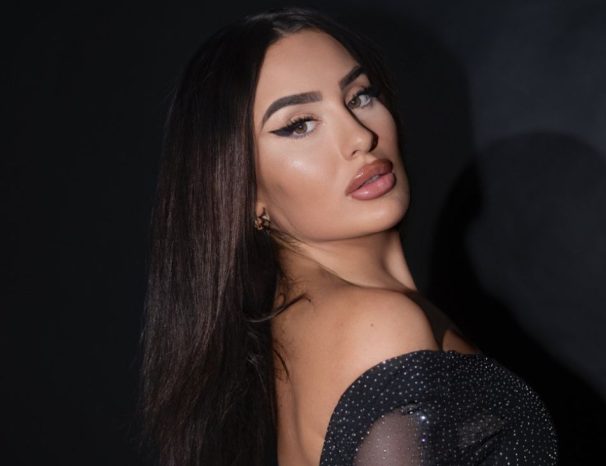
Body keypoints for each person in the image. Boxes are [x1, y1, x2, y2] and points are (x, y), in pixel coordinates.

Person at [140, 6, 558, 466]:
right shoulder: (377, 326)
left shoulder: (306, 322)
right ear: (243, 191)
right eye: (299, 124)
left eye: (359, 96)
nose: (360, 137)